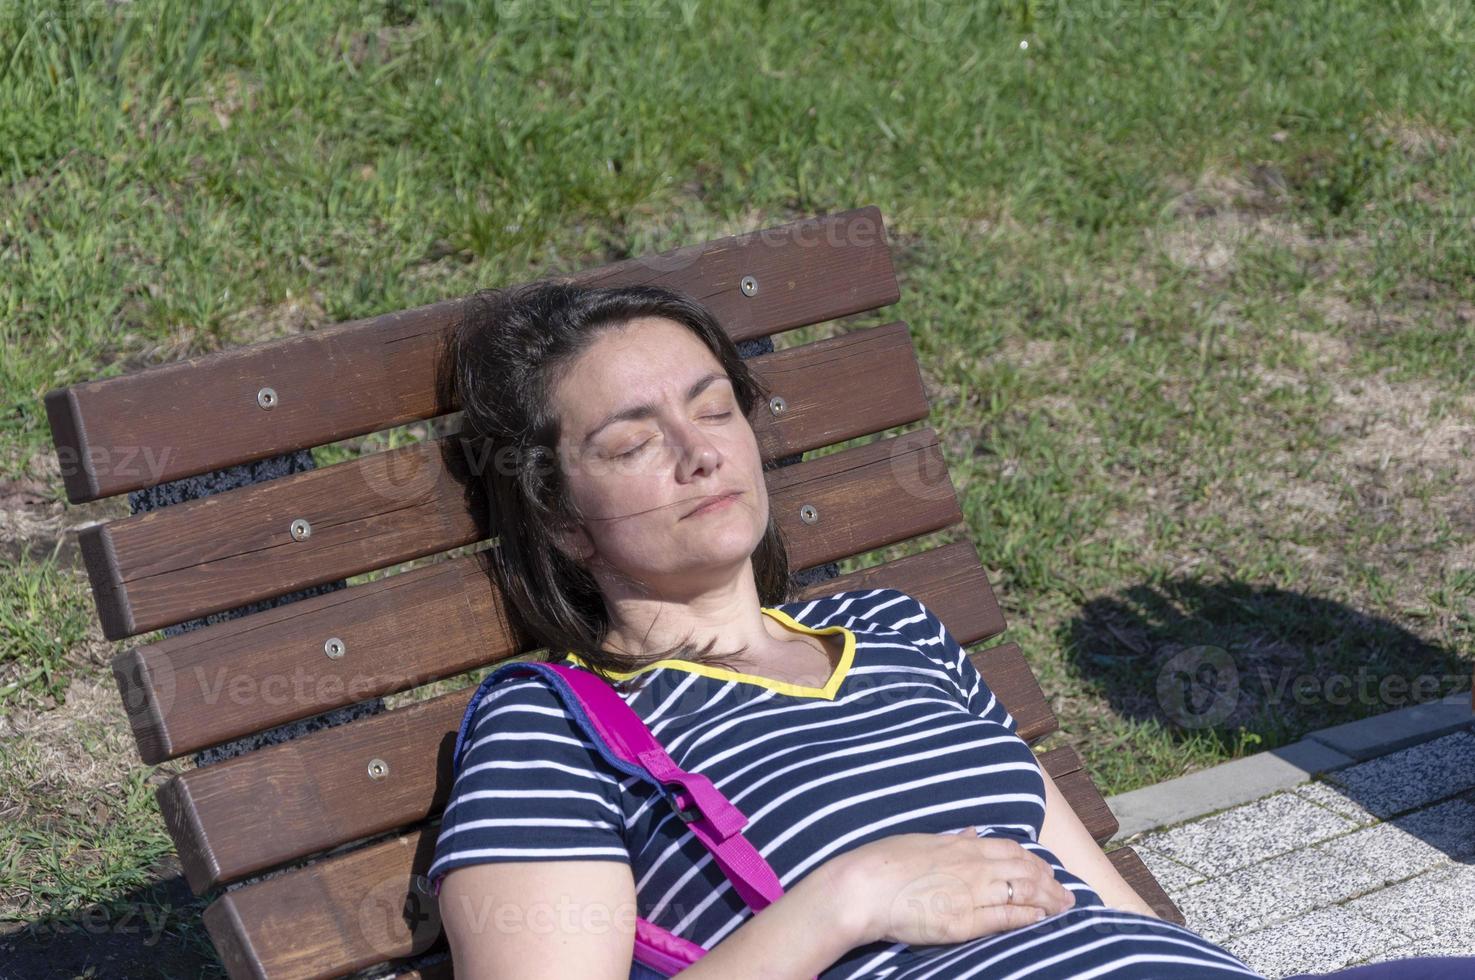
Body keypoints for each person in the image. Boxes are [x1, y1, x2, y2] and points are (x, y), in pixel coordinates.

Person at [427, 281, 1475, 979]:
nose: (698, 453)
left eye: (713, 408)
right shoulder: (552, 724)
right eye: (629, 440)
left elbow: (1115, 910)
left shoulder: (891, 628)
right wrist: (852, 894)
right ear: (560, 517)